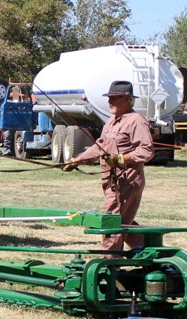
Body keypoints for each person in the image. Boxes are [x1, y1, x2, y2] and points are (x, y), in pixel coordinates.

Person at [62, 80, 154, 253]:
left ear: (128, 100)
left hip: (128, 181)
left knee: (111, 222)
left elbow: (147, 151)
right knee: (122, 221)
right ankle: (145, 248)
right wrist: (77, 160)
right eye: (109, 97)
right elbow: (100, 146)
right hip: (112, 182)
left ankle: (109, 264)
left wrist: (122, 159)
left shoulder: (136, 121)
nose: (110, 101)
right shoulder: (111, 122)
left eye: (115, 98)